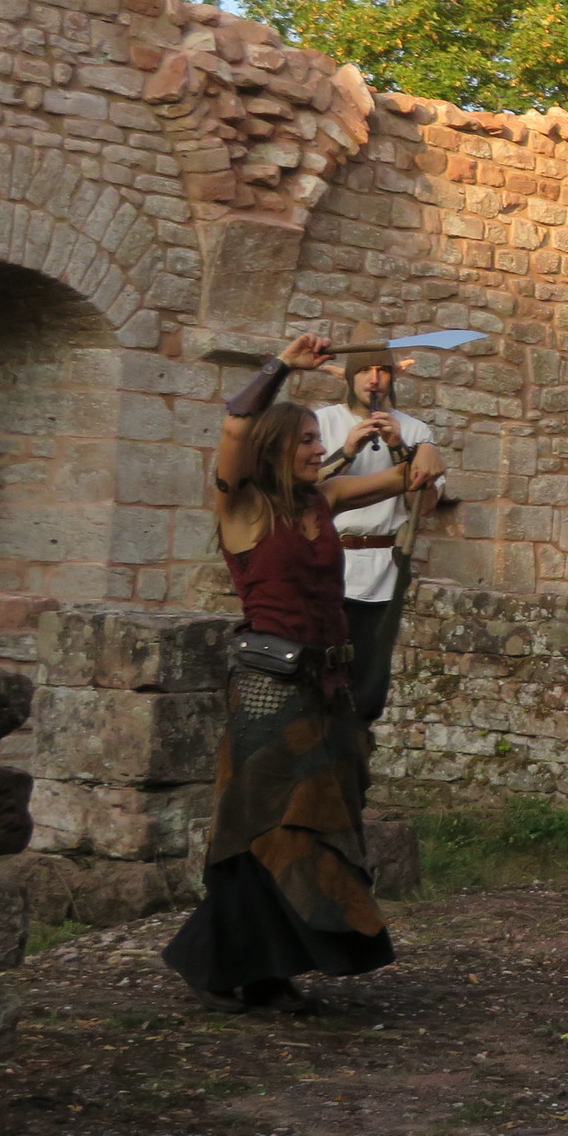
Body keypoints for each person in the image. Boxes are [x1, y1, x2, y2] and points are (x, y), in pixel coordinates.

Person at [162, 334, 415, 1017]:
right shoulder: (242, 508)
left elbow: (410, 480)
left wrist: (400, 438)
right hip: (269, 692)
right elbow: (234, 424)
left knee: (314, 827)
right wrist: (280, 366)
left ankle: (253, 969)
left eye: (317, 439)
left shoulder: (321, 502)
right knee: (262, 828)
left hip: (327, 690)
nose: (316, 448)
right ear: (274, 448)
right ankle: (235, 966)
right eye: (304, 440)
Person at [313, 349, 446, 727]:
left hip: (381, 574)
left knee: (367, 690)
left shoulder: (416, 432)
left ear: (392, 377)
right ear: (349, 376)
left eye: (382, 371)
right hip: (323, 567)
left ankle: (353, 750)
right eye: (365, 371)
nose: (374, 380)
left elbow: (424, 506)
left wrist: (400, 448)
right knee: (315, 677)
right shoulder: (320, 422)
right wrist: (347, 451)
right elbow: (300, 492)